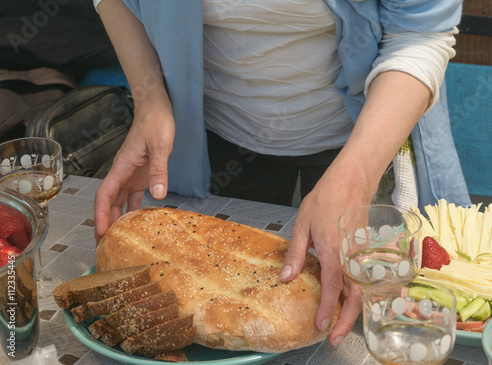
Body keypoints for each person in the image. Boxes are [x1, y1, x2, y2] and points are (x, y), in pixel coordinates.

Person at [92, 0, 471, 347]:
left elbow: (420, 33)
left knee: (363, 316)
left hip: (368, 136)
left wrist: (358, 174)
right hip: (213, 137)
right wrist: (150, 98)